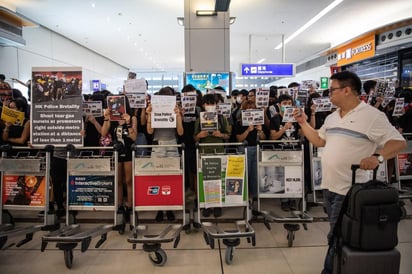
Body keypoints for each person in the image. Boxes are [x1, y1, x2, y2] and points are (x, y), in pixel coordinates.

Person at [293, 71, 406, 274]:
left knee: (337, 236)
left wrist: (377, 157)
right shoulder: (332, 117)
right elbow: (320, 141)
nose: (329, 94)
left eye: (332, 90)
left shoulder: (372, 116)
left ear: (346, 90)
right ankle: (340, 267)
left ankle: (330, 270)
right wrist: (303, 122)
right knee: (338, 233)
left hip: (351, 189)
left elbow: (398, 142)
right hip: (329, 186)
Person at [146, 86, 184, 222]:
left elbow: (180, 132)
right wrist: (150, 114)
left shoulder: (175, 110)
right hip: (158, 145)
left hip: (172, 144)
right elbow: (150, 131)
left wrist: (178, 115)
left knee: (172, 177)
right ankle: (159, 208)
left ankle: (170, 207)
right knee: (157, 177)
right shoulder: (154, 109)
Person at [101, 95, 137, 227]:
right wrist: (106, 117)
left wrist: (127, 123)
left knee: (128, 180)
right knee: (118, 181)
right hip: (115, 152)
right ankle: (119, 206)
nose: (116, 107)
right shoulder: (111, 118)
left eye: (119, 104)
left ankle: (130, 206)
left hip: (128, 152)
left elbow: (134, 137)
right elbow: (103, 133)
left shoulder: (131, 118)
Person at [194, 93, 231, 217]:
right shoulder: (199, 119)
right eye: (207, 104)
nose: (210, 106)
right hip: (204, 153)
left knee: (219, 178)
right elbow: (194, 137)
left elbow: (228, 135)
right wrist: (199, 136)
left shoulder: (222, 118)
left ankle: (217, 205)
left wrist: (220, 135)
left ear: (216, 105)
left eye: (212, 104)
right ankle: (206, 205)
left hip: (219, 151)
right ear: (203, 105)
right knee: (205, 179)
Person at [269, 94, 301, 211]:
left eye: (289, 103)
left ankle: (292, 199)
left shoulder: (297, 118)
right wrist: (284, 128)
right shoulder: (275, 119)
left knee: (294, 175)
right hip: (280, 152)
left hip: (295, 152)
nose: (287, 106)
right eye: (284, 103)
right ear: (279, 105)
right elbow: (273, 137)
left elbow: (302, 133)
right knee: (281, 176)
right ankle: (284, 200)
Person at [234, 99, 266, 201]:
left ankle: (255, 194)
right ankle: (245, 195)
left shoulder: (259, 122)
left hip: (256, 148)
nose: (251, 111)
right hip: (244, 149)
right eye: (248, 109)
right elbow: (239, 138)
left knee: (256, 173)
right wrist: (248, 130)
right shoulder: (239, 123)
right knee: (245, 173)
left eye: (253, 109)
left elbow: (264, 138)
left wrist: (260, 131)